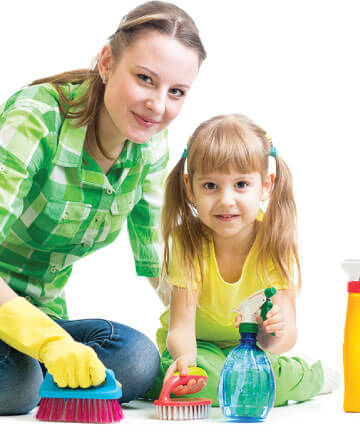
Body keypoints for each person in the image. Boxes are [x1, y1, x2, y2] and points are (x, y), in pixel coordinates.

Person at [0, 1, 205, 415]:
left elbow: (164, 263)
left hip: (31, 313)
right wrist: (51, 342)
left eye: (176, 92)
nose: (158, 106)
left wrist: (216, 328)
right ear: (107, 62)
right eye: (145, 79)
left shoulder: (148, 145)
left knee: (138, 360)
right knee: (12, 380)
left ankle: (21, 367)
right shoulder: (36, 118)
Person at [143, 114, 338, 405]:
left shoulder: (274, 242)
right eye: (210, 185)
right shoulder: (187, 241)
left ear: (266, 185)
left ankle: (310, 375)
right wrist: (187, 362)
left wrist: (269, 331)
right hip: (199, 348)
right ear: (189, 187)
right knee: (162, 378)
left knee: (265, 384)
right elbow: (181, 327)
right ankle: (212, 377)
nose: (225, 200)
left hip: (252, 351)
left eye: (241, 185)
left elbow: (282, 340)